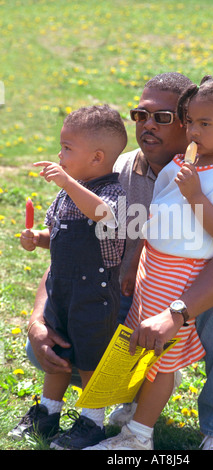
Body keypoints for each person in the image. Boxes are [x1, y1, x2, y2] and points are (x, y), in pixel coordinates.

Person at [25, 73, 213, 451]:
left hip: (194, 289)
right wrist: (39, 318)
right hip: (133, 285)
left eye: (162, 117)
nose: (147, 125)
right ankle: (126, 401)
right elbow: (73, 249)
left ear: (188, 121)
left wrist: (177, 314)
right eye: (140, 115)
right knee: (46, 345)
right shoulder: (115, 171)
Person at [10, 105, 128, 450]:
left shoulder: (111, 193)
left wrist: (67, 182)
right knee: (57, 351)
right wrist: (38, 238)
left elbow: (103, 215)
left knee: (90, 356)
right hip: (61, 287)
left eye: (67, 149)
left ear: (97, 157)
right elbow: (58, 234)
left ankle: (92, 420)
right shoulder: (66, 194)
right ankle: (48, 412)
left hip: (95, 293)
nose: (59, 155)